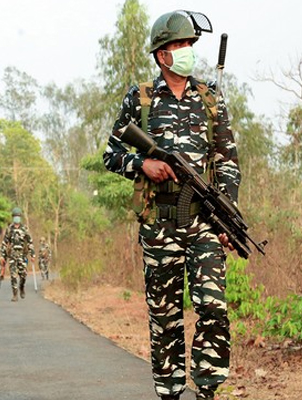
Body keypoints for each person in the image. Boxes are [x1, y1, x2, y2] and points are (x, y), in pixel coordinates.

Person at [103, 10, 240, 400]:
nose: (187, 51)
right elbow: (111, 153)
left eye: (190, 45)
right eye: (179, 45)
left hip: (203, 222)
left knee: (212, 308)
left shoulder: (210, 100)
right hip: (159, 224)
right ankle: (170, 392)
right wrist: (141, 163)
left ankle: (208, 389)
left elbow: (228, 165)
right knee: (164, 318)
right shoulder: (140, 98)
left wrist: (227, 217)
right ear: (161, 54)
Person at [0, 207, 35, 302]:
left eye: (18, 216)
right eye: (15, 216)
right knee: (13, 275)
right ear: (13, 217)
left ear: (20, 217)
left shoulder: (24, 228)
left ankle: (21, 287)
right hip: (12, 256)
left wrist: (32, 254)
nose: (16, 218)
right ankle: (15, 294)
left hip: (22, 256)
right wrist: (2, 255)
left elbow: (30, 242)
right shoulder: (9, 229)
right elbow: (5, 243)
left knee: (23, 275)